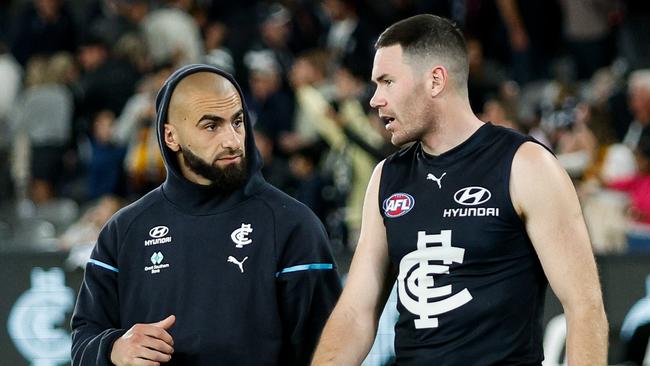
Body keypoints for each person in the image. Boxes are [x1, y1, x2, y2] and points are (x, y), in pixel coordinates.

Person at [311, 14, 608, 365]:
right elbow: (356, 313)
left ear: (435, 80)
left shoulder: (526, 165)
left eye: (387, 82)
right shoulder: (386, 177)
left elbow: (584, 307)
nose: (375, 99)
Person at [71, 64, 341, 365]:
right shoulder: (124, 230)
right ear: (171, 137)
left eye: (237, 122)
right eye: (211, 126)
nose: (232, 140)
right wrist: (113, 349)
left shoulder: (293, 225)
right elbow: (84, 338)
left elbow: (330, 353)